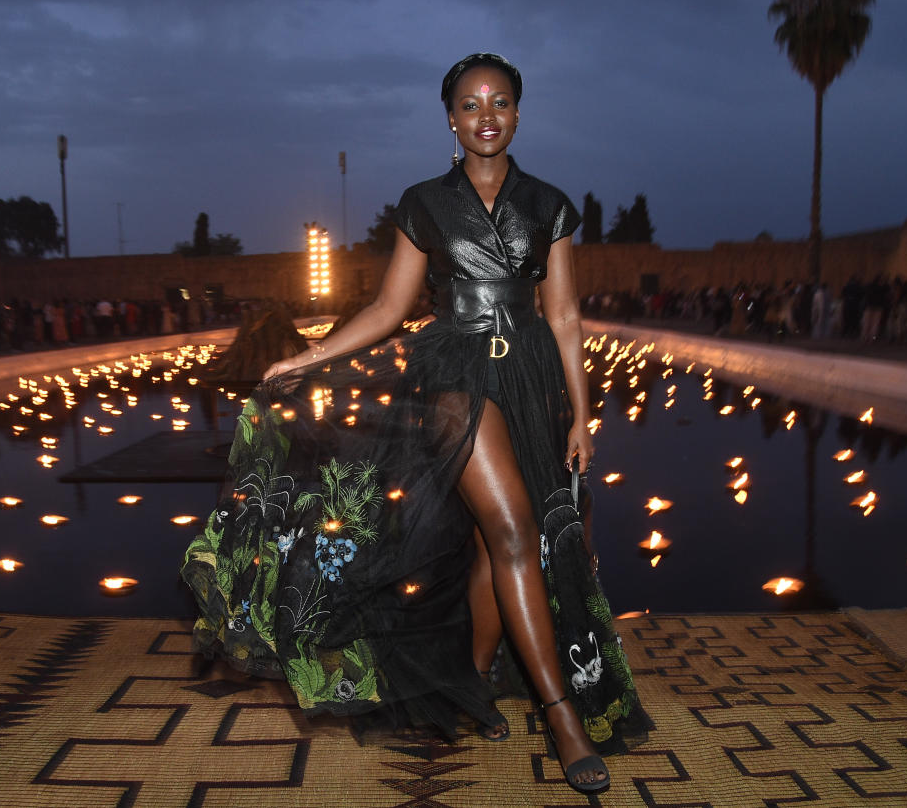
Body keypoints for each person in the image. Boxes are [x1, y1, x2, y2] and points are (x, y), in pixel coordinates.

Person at [181, 53, 651, 794]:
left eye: (499, 102)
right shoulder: (424, 202)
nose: (485, 115)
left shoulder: (550, 204)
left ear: (518, 114)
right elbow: (386, 311)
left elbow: (562, 317)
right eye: (469, 104)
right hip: (454, 377)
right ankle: (560, 714)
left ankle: (470, 679)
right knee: (512, 533)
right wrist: (309, 355)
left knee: (484, 548)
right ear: (450, 119)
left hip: (529, 377)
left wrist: (581, 416)